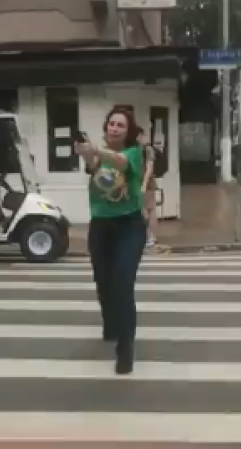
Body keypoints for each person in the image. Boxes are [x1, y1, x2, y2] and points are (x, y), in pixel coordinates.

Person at [75, 107, 147, 375]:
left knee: (123, 283)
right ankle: (111, 323)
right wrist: (87, 155)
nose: (115, 128)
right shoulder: (97, 156)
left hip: (129, 226)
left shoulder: (134, 154)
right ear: (106, 128)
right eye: (112, 124)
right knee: (103, 282)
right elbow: (97, 172)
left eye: (121, 125)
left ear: (128, 132)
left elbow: (120, 163)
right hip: (101, 225)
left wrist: (94, 151)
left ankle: (125, 349)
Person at [138, 131, 158, 247]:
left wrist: (144, 184)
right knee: (144, 210)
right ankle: (147, 236)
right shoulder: (137, 150)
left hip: (147, 185)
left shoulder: (148, 149)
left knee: (149, 210)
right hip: (139, 184)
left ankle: (151, 236)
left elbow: (149, 168)